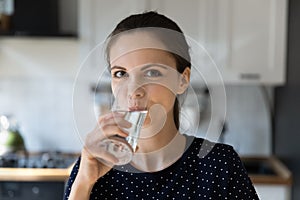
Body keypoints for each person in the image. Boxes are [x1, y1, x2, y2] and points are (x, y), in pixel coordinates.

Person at [64, 11, 259, 200]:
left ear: (182, 80)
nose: (134, 90)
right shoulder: (91, 168)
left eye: (152, 73)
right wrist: (83, 183)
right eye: (121, 74)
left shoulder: (221, 165)